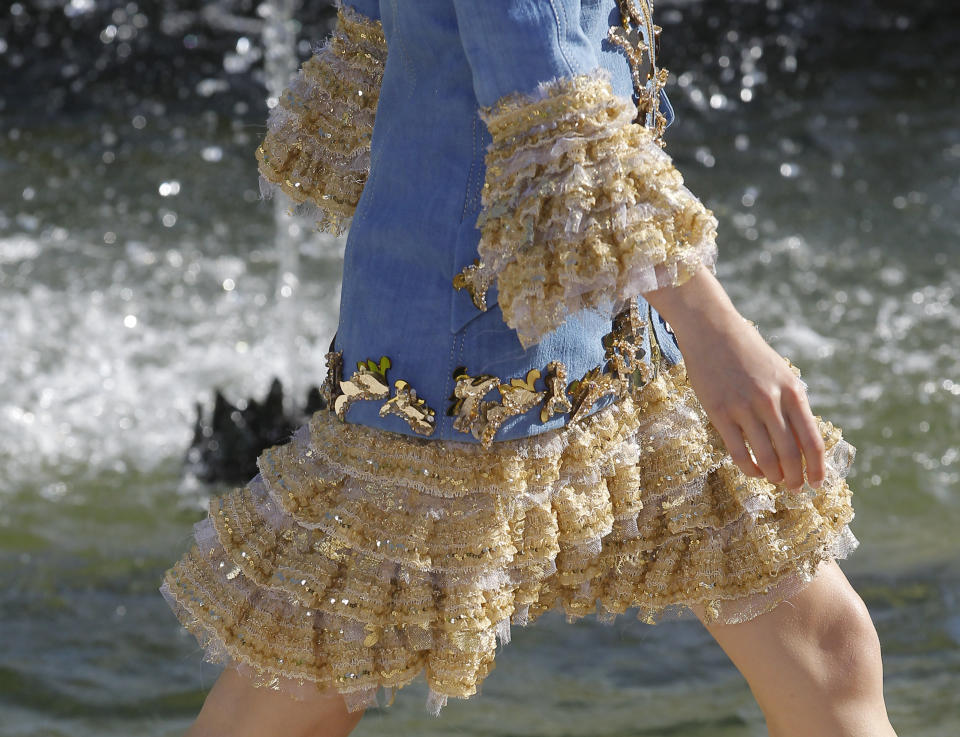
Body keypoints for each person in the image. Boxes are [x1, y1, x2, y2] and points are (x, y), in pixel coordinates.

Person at [160, 1, 899, 735]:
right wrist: (716, 334)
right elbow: (541, 82)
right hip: (473, 361)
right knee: (292, 703)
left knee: (829, 651)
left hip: (604, 308)